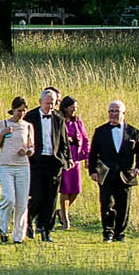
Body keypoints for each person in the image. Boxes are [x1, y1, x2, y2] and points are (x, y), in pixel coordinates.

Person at [88, 99, 139, 241]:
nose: (113, 114)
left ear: (124, 113)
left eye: (116, 111)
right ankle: (108, 233)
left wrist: (138, 167)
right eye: (111, 111)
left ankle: (120, 233)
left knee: (123, 205)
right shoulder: (100, 131)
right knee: (106, 204)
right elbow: (93, 153)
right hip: (106, 174)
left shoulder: (133, 132)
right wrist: (93, 171)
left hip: (125, 175)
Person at [24, 88, 66, 242]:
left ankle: (46, 230)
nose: (50, 107)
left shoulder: (59, 118)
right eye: (47, 103)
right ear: (40, 102)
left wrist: (64, 159)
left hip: (53, 162)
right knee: (37, 196)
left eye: (53, 104)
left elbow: (63, 140)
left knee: (51, 198)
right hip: (36, 162)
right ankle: (28, 220)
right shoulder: (30, 117)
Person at [0, 96, 35, 243]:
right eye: (19, 111)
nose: (21, 114)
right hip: (7, 166)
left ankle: (18, 235)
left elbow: (31, 147)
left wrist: (27, 151)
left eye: (24, 111)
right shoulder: (3, 124)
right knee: (9, 199)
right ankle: (3, 228)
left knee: (22, 202)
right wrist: (2, 133)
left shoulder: (28, 126)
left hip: (23, 166)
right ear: (13, 110)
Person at [57, 94, 90, 233]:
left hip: (76, 158)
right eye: (72, 108)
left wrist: (88, 156)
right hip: (64, 159)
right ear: (65, 108)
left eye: (76, 108)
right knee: (64, 190)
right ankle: (65, 219)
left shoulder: (78, 121)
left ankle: (60, 212)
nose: (74, 110)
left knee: (76, 190)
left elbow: (85, 138)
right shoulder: (59, 121)